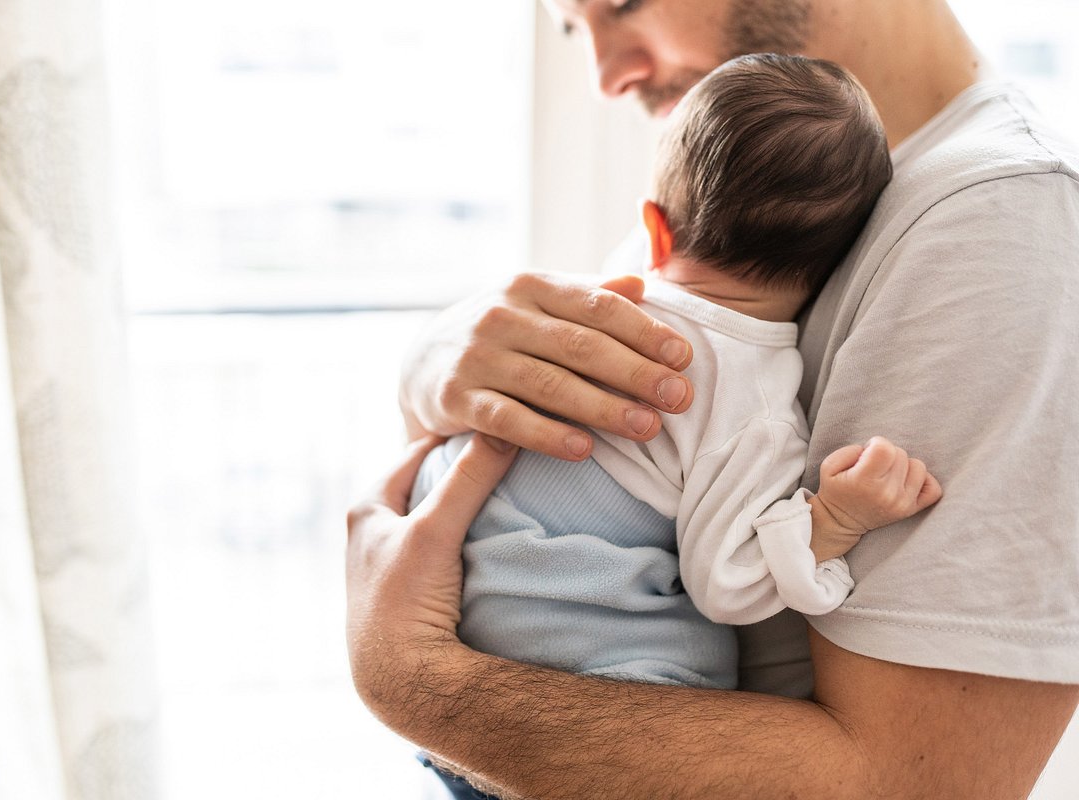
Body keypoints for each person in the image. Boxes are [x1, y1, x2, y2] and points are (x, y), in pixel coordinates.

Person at [346, 1, 1079, 797]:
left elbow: (909, 784)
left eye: (624, 4)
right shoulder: (756, 178)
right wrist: (431, 367)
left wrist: (409, 678)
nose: (604, 75)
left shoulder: (1001, 225)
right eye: (569, 26)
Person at [409, 53, 943, 798]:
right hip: (594, 680)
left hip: (464, 649)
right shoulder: (749, 402)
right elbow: (728, 582)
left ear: (655, 230)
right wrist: (834, 519)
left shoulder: (586, 313)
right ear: (834, 267)